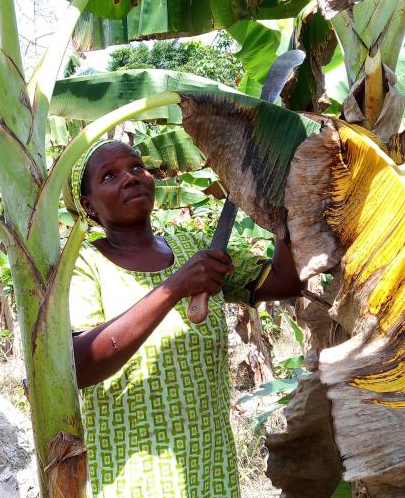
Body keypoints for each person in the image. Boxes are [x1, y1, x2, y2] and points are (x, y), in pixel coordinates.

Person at [65, 138, 303, 497]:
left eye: (136, 167)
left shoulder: (198, 248)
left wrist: (286, 194)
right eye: (109, 176)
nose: (130, 178)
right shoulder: (82, 265)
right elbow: (80, 365)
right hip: (130, 475)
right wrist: (174, 288)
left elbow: (287, 280)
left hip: (207, 469)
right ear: (89, 205)